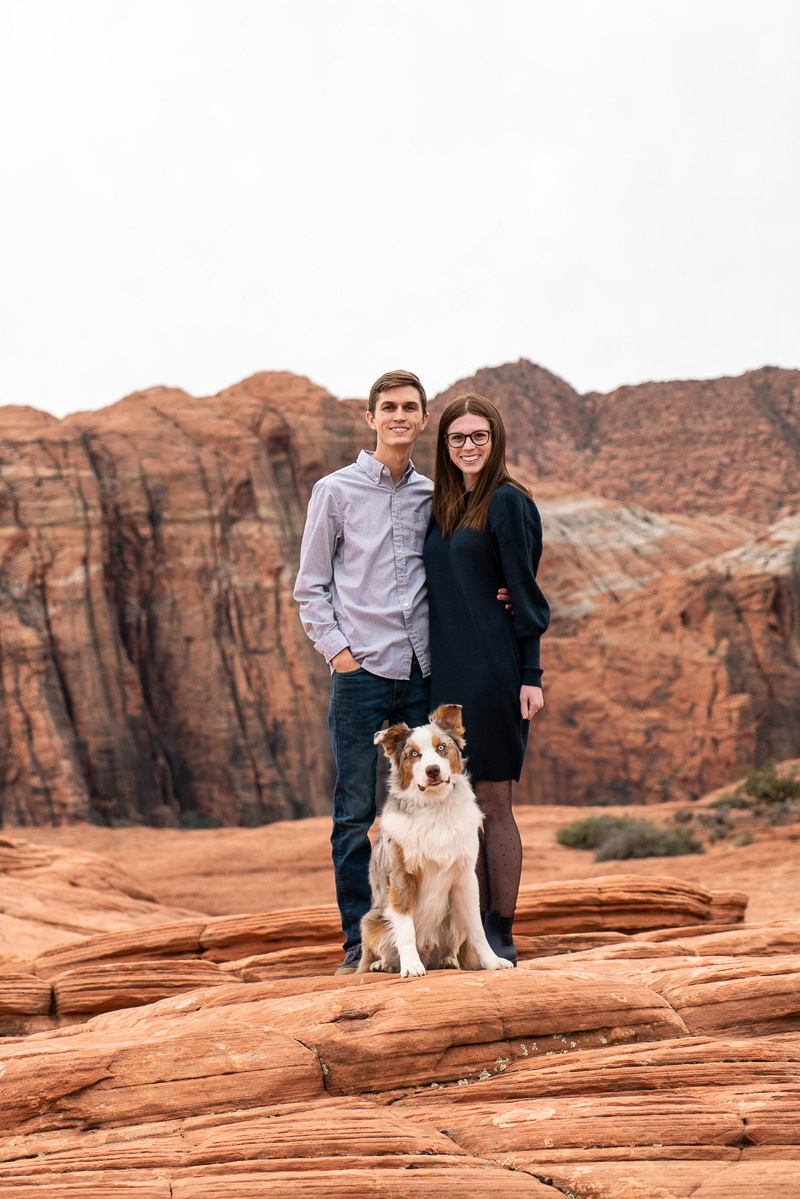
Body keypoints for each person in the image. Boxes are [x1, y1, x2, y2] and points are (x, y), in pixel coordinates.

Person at [293, 370, 434, 974]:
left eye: (410, 407)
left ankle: (422, 938)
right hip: (362, 674)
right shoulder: (335, 491)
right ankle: (361, 946)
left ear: (423, 419)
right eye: (389, 407)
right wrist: (341, 657)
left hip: (422, 672)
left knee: (425, 812)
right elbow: (311, 587)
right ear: (370, 418)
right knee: (355, 813)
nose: (399, 415)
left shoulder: (434, 494)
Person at [423, 393, 550, 965]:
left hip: (495, 673)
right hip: (446, 679)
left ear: (495, 440)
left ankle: (501, 931)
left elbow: (523, 592)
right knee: (460, 805)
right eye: (457, 438)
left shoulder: (507, 502)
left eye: (478, 436)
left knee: (493, 805)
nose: (468, 446)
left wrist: (531, 673)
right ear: (445, 446)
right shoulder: (447, 507)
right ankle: (469, 930)